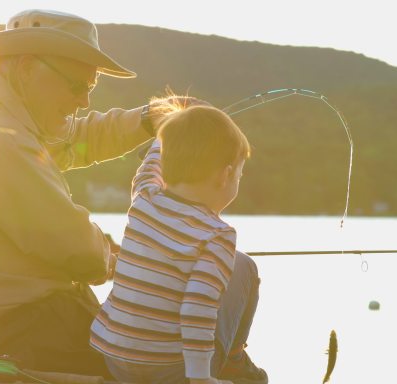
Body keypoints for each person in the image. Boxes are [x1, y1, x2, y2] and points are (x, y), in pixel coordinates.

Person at [0, 9, 165, 377]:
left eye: (90, 89)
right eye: (77, 86)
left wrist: (149, 118)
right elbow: (73, 247)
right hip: (17, 336)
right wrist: (111, 256)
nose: (84, 102)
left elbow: (75, 139)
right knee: (170, 361)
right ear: (28, 67)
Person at [89, 103, 268, 384]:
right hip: (167, 370)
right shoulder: (217, 235)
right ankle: (233, 360)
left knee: (237, 262)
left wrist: (166, 134)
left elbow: (149, 167)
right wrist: (199, 377)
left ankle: (232, 359)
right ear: (226, 175)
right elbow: (198, 307)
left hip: (113, 355)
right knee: (244, 265)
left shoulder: (144, 198)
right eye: (239, 176)